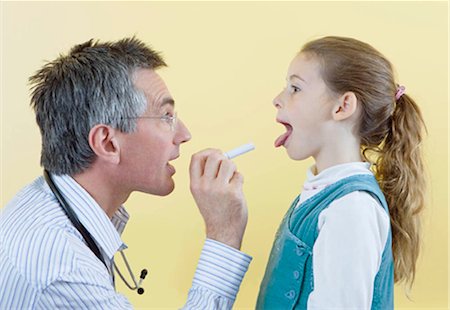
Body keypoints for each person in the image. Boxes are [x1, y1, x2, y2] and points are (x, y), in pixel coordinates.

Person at [0, 37, 251, 309]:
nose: (184, 135)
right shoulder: (61, 267)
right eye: (166, 116)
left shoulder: (42, 198)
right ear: (108, 143)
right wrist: (223, 235)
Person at [256, 36, 426, 309]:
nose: (278, 99)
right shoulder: (323, 197)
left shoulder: (350, 209)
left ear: (342, 106)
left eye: (295, 88)